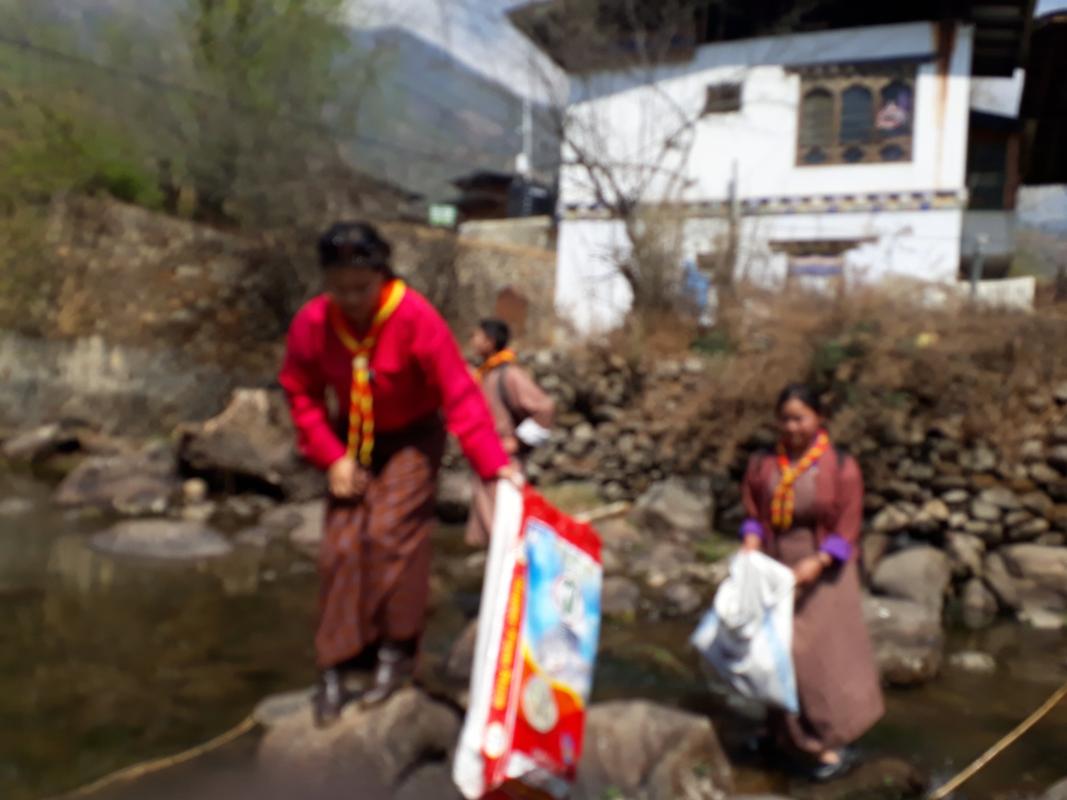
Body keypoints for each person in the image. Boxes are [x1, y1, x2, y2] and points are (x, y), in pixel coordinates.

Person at [278, 222, 513, 727]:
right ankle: (338, 662)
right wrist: (331, 457)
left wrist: (494, 467)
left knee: (390, 535)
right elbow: (300, 394)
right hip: (351, 440)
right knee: (341, 544)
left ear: (382, 277)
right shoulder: (313, 324)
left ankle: (396, 651)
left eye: (361, 288)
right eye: (339, 288)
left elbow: (460, 394)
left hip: (411, 436)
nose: (351, 299)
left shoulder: (414, 317)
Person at [739, 384, 884, 780]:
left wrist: (818, 562)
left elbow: (847, 527)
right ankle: (778, 733)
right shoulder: (763, 463)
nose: (792, 426)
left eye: (800, 418)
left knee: (815, 660)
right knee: (773, 651)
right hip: (775, 566)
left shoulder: (840, 466)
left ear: (819, 418)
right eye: (785, 418)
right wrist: (751, 541)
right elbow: (753, 511)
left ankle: (826, 742)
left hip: (825, 574)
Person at [465, 318, 555, 547]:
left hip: (505, 463)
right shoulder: (485, 374)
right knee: (492, 533)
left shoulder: (510, 375)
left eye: (477, 336)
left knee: (506, 533)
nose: (473, 341)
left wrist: (517, 441)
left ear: (490, 341)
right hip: (485, 461)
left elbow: (544, 409)